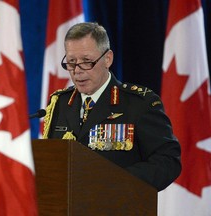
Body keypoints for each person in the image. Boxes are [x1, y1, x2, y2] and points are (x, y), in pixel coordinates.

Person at [42, 22, 181, 191]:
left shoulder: (139, 104)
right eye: (71, 62)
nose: (77, 70)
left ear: (107, 59)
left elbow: (168, 160)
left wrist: (117, 182)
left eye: (86, 61)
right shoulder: (60, 103)